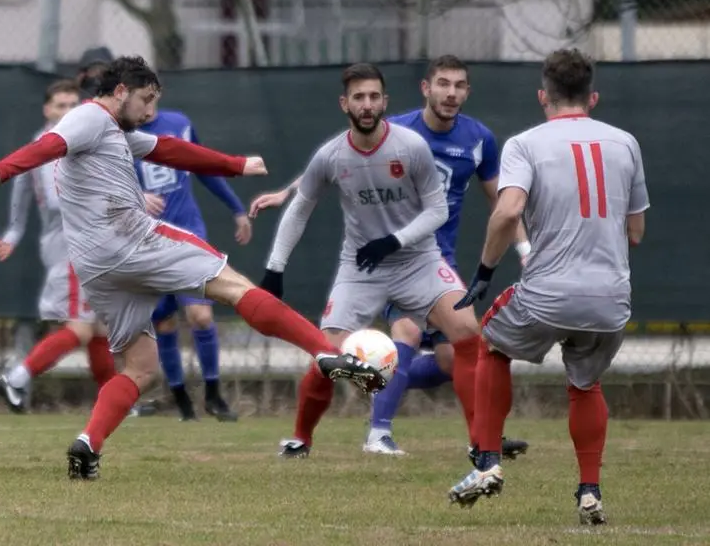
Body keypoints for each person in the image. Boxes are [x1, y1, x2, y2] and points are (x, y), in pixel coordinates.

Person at [0, 56, 383, 480]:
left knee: (141, 369)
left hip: (97, 269)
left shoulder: (113, 132)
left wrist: (234, 165)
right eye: (145, 99)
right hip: (132, 240)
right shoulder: (88, 118)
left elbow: (169, 150)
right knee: (234, 286)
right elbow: (49, 146)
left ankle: (88, 442)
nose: (150, 111)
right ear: (120, 92)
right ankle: (326, 352)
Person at [250, 56, 528, 460]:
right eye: (358, 97)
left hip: (419, 261)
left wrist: (393, 241)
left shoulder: (411, 145)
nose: (367, 104)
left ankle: (480, 442)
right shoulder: (331, 156)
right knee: (326, 354)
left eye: (374, 96)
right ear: (344, 104)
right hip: (360, 269)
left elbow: (438, 211)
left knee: (467, 334)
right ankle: (300, 438)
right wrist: (274, 269)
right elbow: (301, 207)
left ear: (385, 102)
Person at [447, 49, 648, 525]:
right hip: (612, 299)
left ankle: (487, 461)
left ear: (544, 96)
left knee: (491, 344)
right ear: (592, 98)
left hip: (548, 292)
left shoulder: (525, 144)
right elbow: (636, 233)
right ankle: (589, 491)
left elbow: (509, 210)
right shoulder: (626, 143)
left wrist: (484, 270)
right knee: (585, 383)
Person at [0, 79, 116, 412]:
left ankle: (114, 402)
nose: (67, 111)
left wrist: (14, 232)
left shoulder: (75, 141)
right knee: (80, 327)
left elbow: (20, 186)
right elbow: (61, 200)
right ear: (47, 109)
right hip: (72, 244)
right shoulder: (52, 145)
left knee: (100, 326)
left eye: (73, 105)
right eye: (60, 105)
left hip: (90, 241)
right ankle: (17, 377)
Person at [136, 109, 251, 422]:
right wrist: (137, 196)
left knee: (200, 315)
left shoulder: (180, 124)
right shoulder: (117, 134)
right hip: (147, 241)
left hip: (188, 235)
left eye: (150, 93)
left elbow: (203, 167)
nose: (145, 103)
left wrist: (237, 209)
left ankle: (213, 395)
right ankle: (182, 403)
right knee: (164, 322)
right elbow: (102, 185)